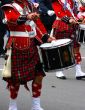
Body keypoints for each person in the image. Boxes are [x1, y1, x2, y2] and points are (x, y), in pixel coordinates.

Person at [1, 0, 55, 110]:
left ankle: (36, 105)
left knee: (39, 75)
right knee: (15, 79)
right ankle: (12, 105)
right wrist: (27, 16)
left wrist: (46, 37)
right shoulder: (8, 7)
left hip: (32, 46)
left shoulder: (30, 5)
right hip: (17, 46)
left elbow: (37, 24)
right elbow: (12, 19)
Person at [51, 0, 85, 80]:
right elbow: (59, 13)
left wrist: (80, 20)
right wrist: (68, 20)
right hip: (61, 26)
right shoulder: (56, 1)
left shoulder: (71, 1)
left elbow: (73, 13)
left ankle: (78, 71)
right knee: (60, 48)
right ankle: (59, 70)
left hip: (72, 26)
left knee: (76, 47)